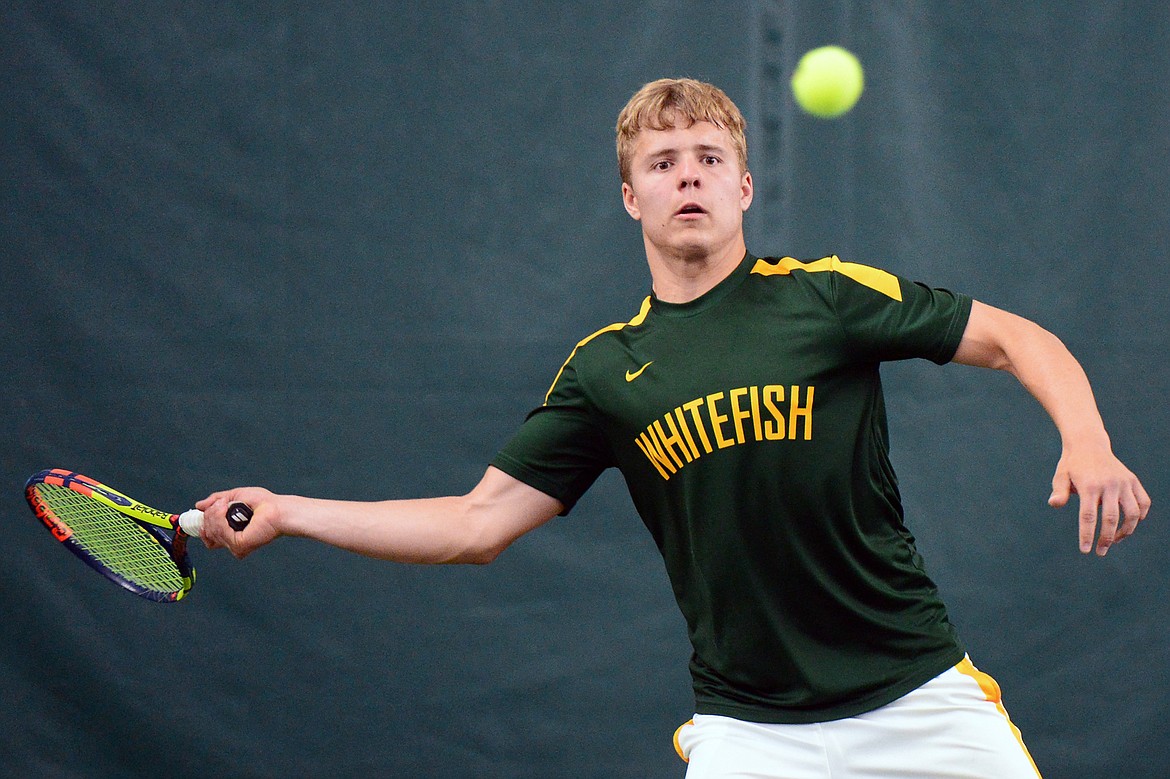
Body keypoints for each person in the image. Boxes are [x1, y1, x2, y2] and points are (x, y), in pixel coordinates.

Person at [196, 78, 1150, 778]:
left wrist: (1088, 437)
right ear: (631, 197)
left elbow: (1015, 339)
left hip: (917, 696)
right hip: (750, 732)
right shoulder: (606, 370)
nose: (686, 176)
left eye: (709, 160)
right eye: (662, 163)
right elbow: (473, 524)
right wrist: (289, 509)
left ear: (743, 188)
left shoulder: (822, 297)